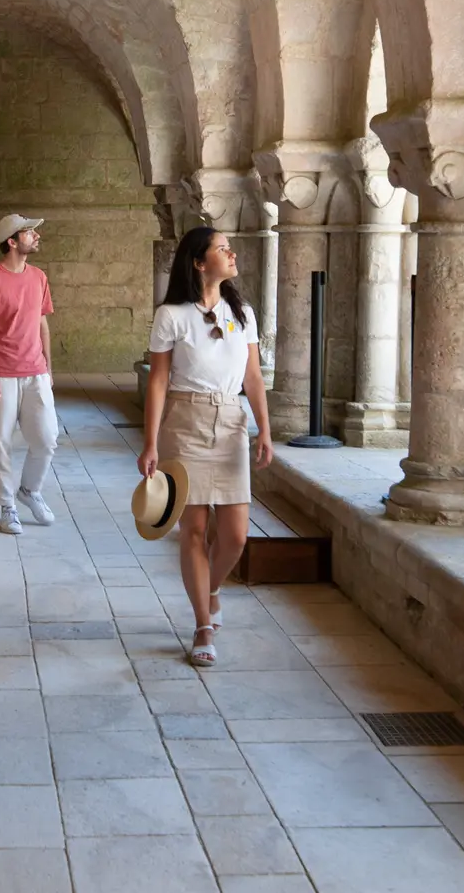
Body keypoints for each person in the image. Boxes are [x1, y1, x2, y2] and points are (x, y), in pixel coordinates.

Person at [137, 225, 273, 668]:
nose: (231, 254)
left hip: (231, 422)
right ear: (199, 262)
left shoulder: (243, 312)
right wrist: (150, 441)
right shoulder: (171, 315)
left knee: (235, 535)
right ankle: (201, 624)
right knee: (192, 531)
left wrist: (264, 430)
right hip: (185, 422)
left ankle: (211, 589)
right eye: (222, 249)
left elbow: (252, 378)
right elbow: (158, 380)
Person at [0, 214, 59, 536]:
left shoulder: (38, 277)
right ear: (12, 241)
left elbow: (42, 324)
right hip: (3, 373)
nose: (36, 236)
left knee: (47, 439)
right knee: (1, 444)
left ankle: (29, 490)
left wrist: (48, 369)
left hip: (35, 372)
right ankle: (8, 506)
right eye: (29, 232)